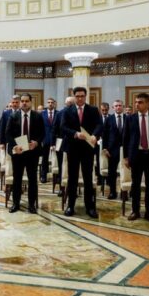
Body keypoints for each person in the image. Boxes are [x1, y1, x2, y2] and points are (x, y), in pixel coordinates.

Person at [122, 93, 149, 224]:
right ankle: (135, 210)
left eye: (140, 102)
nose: (137, 104)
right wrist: (125, 157)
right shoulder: (130, 118)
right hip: (136, 156)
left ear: (147, 103)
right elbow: (125, 139)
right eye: (136, 102)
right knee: (135, 184)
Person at [60, 87, 103, 218]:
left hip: (88, 148)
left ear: (85, 96)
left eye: (82, 96)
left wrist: (95, 135)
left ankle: (90, 207)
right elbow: (63, 127)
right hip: (72, 148)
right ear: (74, 96)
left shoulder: (93, 110)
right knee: (72, 178)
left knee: (88, 178)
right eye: (77, 96)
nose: (80, 98)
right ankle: (70, 206)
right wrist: (75, 133)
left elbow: (99, 125)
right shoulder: (67, 110)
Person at [5, 93, 44, 214]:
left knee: (32, 179)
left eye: (27, 101)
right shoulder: (13, 116)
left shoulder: (37, 116)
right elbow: (8, 133)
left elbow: (42, 133)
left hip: (32, 153)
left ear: (31, 102)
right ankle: (16, 204)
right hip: (18, 153)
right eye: (22, 101)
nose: (24, 103)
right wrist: (14, 146)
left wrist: (36, 143)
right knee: (17, 179)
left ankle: (31, 205)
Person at [101, 100, 125, 200]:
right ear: (113, 107)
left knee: (126, 171)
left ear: (123, 107)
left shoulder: (128, 118)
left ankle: (124, 193)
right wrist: (105, 148)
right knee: (112, 172)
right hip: (112, 149)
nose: (118, 107)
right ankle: (112, 192)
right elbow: (104, 135)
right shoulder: (109, 119)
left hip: (125, 149)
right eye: (116, 106)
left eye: (120, 105)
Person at [53, 96, 74, 197]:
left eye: (71, 102)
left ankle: (72, 189)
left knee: (72, 167)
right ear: (65, 103)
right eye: (68, 102)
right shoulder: (59, 114)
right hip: (61, 142)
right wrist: (53, 143)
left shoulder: (77, 113)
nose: (69, 104)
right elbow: (54, 129)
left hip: (74, 143)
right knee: (62, 167)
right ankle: (62, 188)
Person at [40, 97, 58, 183]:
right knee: (45, 159)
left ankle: (57, 177)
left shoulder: (58, 113)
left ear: (54, 103)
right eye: (49, 102)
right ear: (47, 104)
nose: (50, 104)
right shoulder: (42, 114)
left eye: (52, 102)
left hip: (56, 140)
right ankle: (43, 176)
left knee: (57, 159)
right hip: (45, 139)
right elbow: (39, 127)